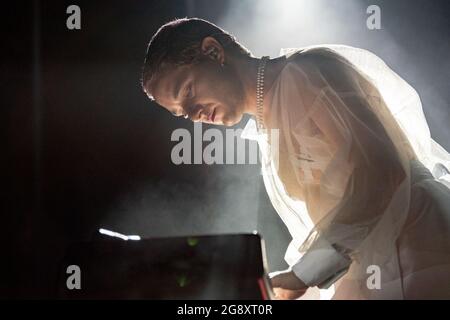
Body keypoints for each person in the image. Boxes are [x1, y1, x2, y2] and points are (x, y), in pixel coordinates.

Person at [141, 18, 450, 299]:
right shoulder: (267, 120)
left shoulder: (306, 73)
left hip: (417, 245)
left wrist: (305, 273)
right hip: (375, 262)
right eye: (182, 113)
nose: (194, 116)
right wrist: (300, 280)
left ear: (213, 52)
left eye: (189, 91)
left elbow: (382, 172)